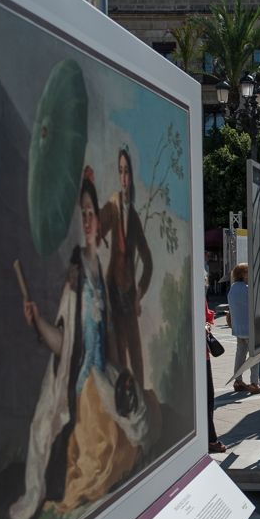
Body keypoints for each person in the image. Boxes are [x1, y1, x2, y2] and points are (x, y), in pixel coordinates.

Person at [11, 167, 157, 519]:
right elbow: (64, 344)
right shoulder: (77, 279)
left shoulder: (98, 270)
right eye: (84, 215)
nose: (90, 220)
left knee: (134, 414)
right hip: (84, 384)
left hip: (101, 372)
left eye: (92, 213)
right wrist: (38, 322)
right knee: (102, 451)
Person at [99, 147, 153, 388]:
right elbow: (97, 228)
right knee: (118, 348)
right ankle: (123, 398)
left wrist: (139, 292)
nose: (123, 177)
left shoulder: (133, 214)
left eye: (126, 172)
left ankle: (139, 396)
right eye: (120, 171)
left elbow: (148, 260)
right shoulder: (112, 205)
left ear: (130, 176)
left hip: (129, 292)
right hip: (113, 289)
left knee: (135, 351)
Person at [227, 263, 260, 395]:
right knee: (254, 356)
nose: (250, 273)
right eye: (248, 271)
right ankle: (254, 383)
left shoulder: (233, 288)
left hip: (238, 328)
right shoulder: (248, 289)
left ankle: (238, 381)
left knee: (240, 355)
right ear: (243, 274)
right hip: (250, 328)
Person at [205, 301, 227, 453]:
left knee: (207, 398)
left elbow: (207, 316)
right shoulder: (194, 291)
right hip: (199, 357)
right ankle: (210, 440)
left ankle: (208, 438)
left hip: (201, 355)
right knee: (207, 398)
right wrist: (205, 325)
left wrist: (207, 324)